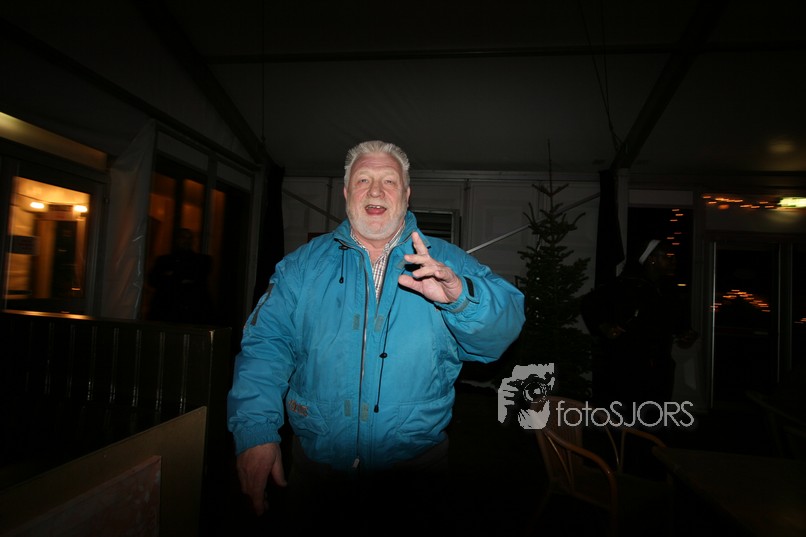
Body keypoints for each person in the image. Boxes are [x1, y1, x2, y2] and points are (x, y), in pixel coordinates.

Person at [226, 140, 525, 530]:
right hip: (317, 475)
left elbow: (504, 330)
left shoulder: (446, 262)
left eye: (389, 181)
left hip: (414, 478)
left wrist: (461, 300)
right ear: (347, 192)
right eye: (363, 179)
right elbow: (265, 347)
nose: (376, 191)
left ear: (406, 194)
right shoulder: (301, 267)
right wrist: (255, 431)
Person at [581, 238, 698, 425]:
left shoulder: (670, 291)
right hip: (627, 368)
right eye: (668, 256)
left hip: (659, 368)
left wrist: (686, 334)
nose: (673, 260)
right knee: (626, 420)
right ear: (652, 259)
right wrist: (604, 327)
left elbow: (679, 325)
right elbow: (589, 304)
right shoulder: (624, 286)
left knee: (653, 420)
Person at [146, 227, 213, 323]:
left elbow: (198, 278)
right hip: (167, 311)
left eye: (189, 238)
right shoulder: (164, 260)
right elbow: (153, 280)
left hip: (192, 312)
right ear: (177, 240)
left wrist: (171, 277)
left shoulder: (202, 261)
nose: (186, 241)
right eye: (183, 237)